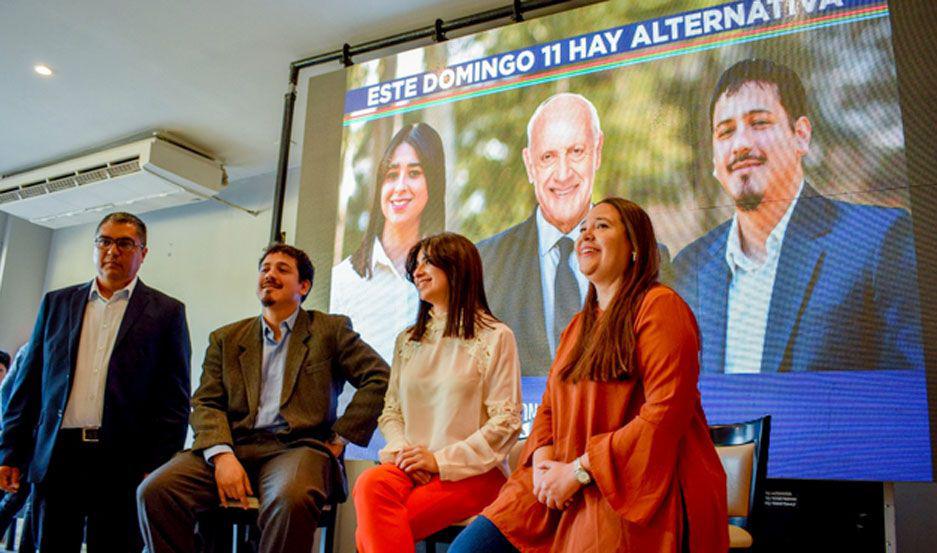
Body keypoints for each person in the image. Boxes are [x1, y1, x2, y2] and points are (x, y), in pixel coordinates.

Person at [450, 198, 728, 553]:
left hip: (629, 487)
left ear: (635, 248)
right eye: (583, 228)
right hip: (559, 482)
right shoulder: (578, 327)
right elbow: (548, 409)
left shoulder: (660, 308)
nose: (586, 235)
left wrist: (579, 472)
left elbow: (664, 415)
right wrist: (543, 467)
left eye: (602, 226)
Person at [672, 58, 924, 373]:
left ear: (801, 135)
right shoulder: (688, 267)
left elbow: (912, 398)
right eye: (725, 132)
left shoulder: (878, 242)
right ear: (713, 158)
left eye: (759, 123)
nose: (740, 144)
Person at [138, 243, 390, 553]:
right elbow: (206, 402)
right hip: (235, 446)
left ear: (304, 286)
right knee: (156, 490)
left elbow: (379, 377)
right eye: (265, 268)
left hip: (297, 449)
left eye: (282, 269)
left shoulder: (330, 329)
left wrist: (341, 436)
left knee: (290, 498)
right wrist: (222, 455)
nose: (269, 274)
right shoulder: (226, 338)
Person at [0, 212, 192, 552]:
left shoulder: (166, 312)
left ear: (143, 253)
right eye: (104, 241)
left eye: (124, 243)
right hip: (58, 454)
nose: (112, 251)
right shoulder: (57, 304)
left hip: (124, 461)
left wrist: (158, 465)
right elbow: (28, 385)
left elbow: (173, 400)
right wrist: (10, 451)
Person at [477, 93, 669, 376]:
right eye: (548, 157)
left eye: (576, 151)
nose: (563, 174)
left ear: (598, 151)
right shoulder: (484, 263)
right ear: (530, 164)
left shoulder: (648, 258)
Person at [353, 232, 522, 552]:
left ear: (459, 267)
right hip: (411, 470)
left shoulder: (496, 336)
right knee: (368, 483)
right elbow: (391, 412)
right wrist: (404, 452)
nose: (417, 271)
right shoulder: (407, 340)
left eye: (428, 261)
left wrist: (437, 460)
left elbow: (505, 423)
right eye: (415, 264)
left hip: (474, 473)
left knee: (368, 536)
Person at [330, 122, 446, 363]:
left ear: (432, 183)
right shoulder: (342, 282)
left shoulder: (451, 282)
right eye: (391, 175)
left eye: (414, 173)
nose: (400, 187)